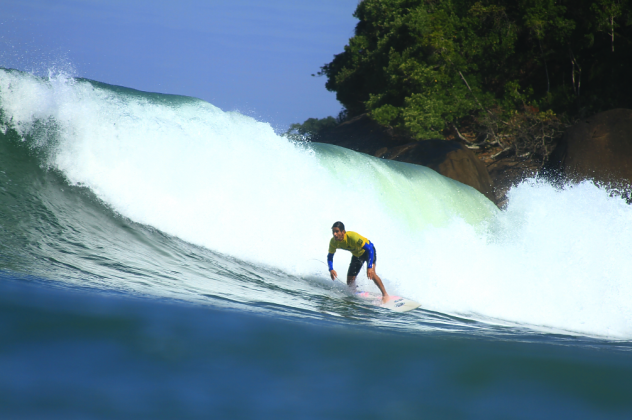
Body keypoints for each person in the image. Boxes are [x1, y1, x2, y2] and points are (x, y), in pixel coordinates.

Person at [327, 221, 389, 303]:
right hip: (357, 255)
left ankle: (385, 294)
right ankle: (354, 294)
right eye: (333, 232)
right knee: (349, 281)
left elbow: (370, 249)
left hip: (368, 252)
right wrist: (331, 269)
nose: (334, 234)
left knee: (372, 273)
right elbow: (330, 256)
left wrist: (369, 266)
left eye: (337, 231)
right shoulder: (333, 242)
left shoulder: (352, 237)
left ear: (343, 232)